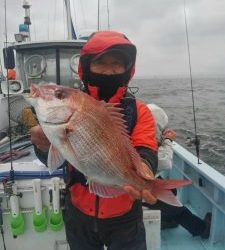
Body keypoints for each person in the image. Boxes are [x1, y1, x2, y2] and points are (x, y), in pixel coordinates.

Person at [30, 31, 158, 250]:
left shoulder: (139, 111)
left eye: (117, 63)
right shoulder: (68, 109)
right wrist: (42, 147)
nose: (109, 70)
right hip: (78, 213)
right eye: (101, 63)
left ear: (128, 70)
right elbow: (54, 161)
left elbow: (145, 148)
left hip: (126, 216)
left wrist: (144, 174)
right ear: (85, 67)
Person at [143, 104, 211, 239]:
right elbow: (163, 163)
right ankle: (201, 229)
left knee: (172, 191)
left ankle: (167, 220)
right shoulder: (144, 142)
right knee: (174, 206)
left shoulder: (133, 134)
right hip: (134, 190)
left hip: (136, 183)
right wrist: (167, 140)